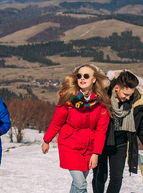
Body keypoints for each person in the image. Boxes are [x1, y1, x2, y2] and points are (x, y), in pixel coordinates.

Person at [42, 64, 112, 193]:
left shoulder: (101, 102)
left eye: (86, 76)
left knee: (77, 185)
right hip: (69, 144)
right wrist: (47, 140)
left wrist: (96, 153)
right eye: (79, 76)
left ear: (94, 79)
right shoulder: (68, 98)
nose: (82, 78)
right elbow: (57, 122)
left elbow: (101, 130)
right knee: (81, 185)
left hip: (88, 148)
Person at [92, 70, 143, 193]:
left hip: (120, 145)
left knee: (117, 178)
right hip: (100, 143)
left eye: (130, 94)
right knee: (100, 176)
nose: (128, 98)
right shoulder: (103, 97)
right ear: (116, 88)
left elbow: (142, 128)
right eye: (126, 94)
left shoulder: (136, 102)